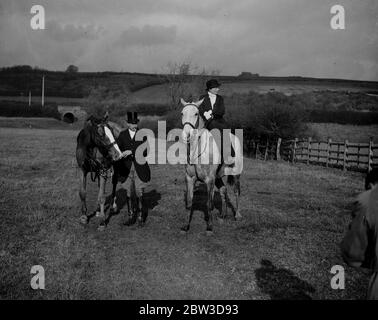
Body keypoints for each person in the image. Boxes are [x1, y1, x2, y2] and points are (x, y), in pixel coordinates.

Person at [114, 111, 151, 225]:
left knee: (139, 191)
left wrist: (132, 151)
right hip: (126, 167)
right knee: (128, 192)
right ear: (128, 124)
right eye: (132, 123)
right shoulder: (122, 135)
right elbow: (117, 149)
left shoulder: (143, 134)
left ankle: (140, 216)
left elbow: (146, 150)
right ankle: (130, 216)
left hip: (139, 167)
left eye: (136, 123)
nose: (134, 126)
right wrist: (119, 154)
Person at [198, 79, 234, 164]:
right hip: (207, 121)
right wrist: (205, 114)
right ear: (210, 88)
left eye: (218, 88)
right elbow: (200, 108)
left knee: (226, 130)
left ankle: (230, 154)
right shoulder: (202, 97)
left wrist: (212, 113)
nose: (218, 89)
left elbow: (222, 111)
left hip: (219, 120)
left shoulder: (220, 98)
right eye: (216, 88)